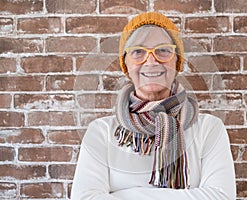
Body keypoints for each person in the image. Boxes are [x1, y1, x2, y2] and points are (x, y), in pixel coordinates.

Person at [71, 12, 236, 200]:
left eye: (163, 50)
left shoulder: (209, 129)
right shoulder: (101, 132)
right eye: (138, 52)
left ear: (176, 61)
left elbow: (221, 197)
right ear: (125, 64)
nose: (151, 61)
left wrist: (124, 195)